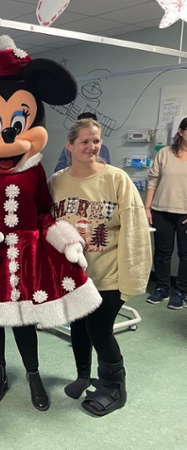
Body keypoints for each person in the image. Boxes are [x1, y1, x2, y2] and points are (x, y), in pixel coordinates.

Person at [0, 35, 102, 413]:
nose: (7, 133)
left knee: (25, 320)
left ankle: (32, 374)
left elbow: (44, 213)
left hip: (27, 255)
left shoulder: (34, 169)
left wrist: (64, 239)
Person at [49, 118, 151, 416]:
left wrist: (133, 278)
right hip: (74, 276)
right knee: (79, 326)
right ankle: (83, 376)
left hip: (109, 275)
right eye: (84, 141)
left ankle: (115, 388)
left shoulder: (117, 179)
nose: (92, 147)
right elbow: (45, 226)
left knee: (99, 329)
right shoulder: (56, 182)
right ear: (69, 145)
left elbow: (136, 230)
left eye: (96, 141)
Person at [144, 117, 187, 309]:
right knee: (163, 252)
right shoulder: (165, 154)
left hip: (185, 213)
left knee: (186, 254)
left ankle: (181, 291)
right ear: (181, 131)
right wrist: (147, 208)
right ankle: (162, 288)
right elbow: (153, 180)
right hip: (161, 210)